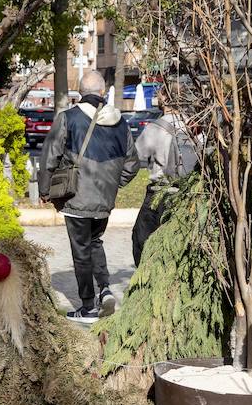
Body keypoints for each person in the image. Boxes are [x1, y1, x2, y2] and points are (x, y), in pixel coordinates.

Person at [42, 71, 139, 323]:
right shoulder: (121, 123)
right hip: (104, 200)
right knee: (95, 242)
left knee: (81, 251)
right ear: (103, 92)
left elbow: (50, 155)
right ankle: (105, 289)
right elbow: (132, 164)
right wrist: (113, 185)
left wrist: (44, 190)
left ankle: (87, 307)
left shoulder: (68, 118)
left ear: (80, 91)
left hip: (76, 197)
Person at [131, 89, 197, 266]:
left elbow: (138, 154)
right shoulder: (194, 126)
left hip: (158, 194)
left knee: (142, 241)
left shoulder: (156, 127)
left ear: (165, 99)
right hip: (187, 195)